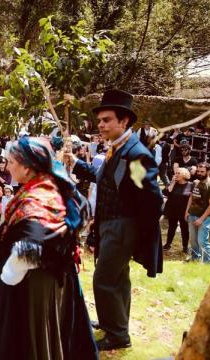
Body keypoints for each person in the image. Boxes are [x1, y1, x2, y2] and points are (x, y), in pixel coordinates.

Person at [0, 137, 97, 360]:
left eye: (11, 162)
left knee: (32, 342)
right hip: (43, 279)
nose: (7, 166)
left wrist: (9, 274)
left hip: (35, 284)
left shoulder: (39, 197)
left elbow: (33, 244)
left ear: (27, 167)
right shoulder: (43, 185)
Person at [66, 89, 163, 351]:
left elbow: (153, 199)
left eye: (107, 120)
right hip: (110, 224)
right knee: (118, 279)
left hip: (122, 226)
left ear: (124, 122)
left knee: (104, 279)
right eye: (99, 120)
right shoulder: (116, 149)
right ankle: (115, 324)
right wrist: (75, 163)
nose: (101, 125)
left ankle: (117, 336)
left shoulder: (135, 154)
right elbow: (106, 180)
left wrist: (135, 230)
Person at [185, 162, 210, 264]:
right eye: (198, 171)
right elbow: (191, 197)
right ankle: (195, 258)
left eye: (202, 172)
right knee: (193, 240)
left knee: (202, 241)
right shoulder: (195, 182)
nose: (199, 173)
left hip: (204, 217)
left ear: (208, 171)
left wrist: (201, 219)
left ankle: (208, 263)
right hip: (192, 215)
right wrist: (187, 211)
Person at [163, 168, 192, 254]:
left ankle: (185, 247)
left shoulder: (191, 185)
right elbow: (165, 192)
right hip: (172, 210)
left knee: (184, 229)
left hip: (184, 211)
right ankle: (168, 244)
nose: (176, 175)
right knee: (171, 227)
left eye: (178, 173)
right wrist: (172, 183)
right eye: (175, 173)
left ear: (184, 175)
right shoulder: (173, 184)